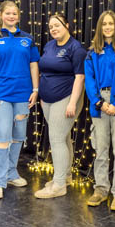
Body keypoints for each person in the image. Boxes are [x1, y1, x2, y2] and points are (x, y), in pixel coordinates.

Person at [0, 0, 40, 200]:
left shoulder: (27, 39)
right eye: (8, 13)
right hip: (1, 96)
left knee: (18, 136)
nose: (11, 16)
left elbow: (34, 65)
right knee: (3, 137)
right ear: (0, 15)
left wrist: (35, 89)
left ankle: (10, 173)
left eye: (14, 13)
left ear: (18, 15)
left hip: (23, 94)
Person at [84, 11, 115, 212]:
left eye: (110, 24)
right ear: (99, 27)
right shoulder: (92, 52)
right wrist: (98, 102)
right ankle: (101, 189)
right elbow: (89, 80)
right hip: (100, 105)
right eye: (104, 24)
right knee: (101, 150)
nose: (107, 27)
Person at [35, 13, 86, 199]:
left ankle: (58, 185)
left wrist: (73, 102)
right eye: (51, 27)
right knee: (62, 139)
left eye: (57, 25)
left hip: (66, 98)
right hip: (46, 99)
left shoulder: (76, 48)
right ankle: (65, 177)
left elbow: (80, 77)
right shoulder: (49, 45)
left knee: (56, 139)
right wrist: (41, 94)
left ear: (67, 25)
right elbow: (44, 71)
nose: (54, 29)